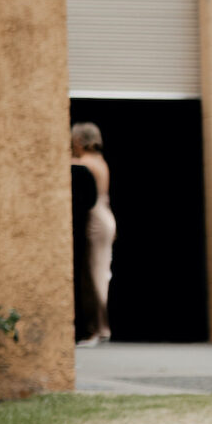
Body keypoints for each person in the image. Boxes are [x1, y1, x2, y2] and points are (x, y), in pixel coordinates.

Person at [71, 122, 116, 345]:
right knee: (101, 273)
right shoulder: (100, 160)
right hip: (105, 216)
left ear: (79, 141)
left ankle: (98, 329)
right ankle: (101, 328)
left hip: (96, 218)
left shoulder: (85, 162)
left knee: (94, 275)